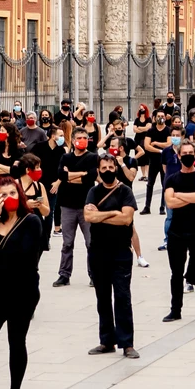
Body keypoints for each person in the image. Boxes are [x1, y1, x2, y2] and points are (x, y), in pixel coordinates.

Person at [0, 176, 44, 389]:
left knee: (16, 341)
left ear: (20, 195)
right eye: (3, 194)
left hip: (22, 292)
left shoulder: (30, 221)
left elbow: (24, 256)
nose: (9, 198)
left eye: (13, 193)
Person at [84, 152, 139, 357]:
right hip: (98, 252)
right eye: (104, 168)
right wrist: (111, 213)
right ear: (98, 170)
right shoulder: (93, 191)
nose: (108, 171)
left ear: (116, 167)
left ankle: (127, 343)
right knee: (102, 297)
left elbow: (126, 219)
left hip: (121, 252)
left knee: (123, 296)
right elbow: (88, 215)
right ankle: (107, 340)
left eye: (111, 167)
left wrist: (100, 216)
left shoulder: (125, 191)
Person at [163, 139, 195, 322]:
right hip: (176, 232)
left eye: (190, 154)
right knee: (176, 273)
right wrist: (190, 198)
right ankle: (175, 310)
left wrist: (178, 195)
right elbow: (169, 202)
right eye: (183, 154)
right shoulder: (171, 179)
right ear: (178, 156)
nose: (187, 157)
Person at [55, 129, 98, 287]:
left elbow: (90, 177)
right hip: (67, 205)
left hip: (87, 205)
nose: (82, 140)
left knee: (90, 242)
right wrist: (80, 174)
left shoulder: (93, 157)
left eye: (85, 138)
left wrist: (71, 176)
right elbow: (61, 176)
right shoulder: (66, 157)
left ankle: (94, 274)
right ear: (73, 141)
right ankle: (64, 274)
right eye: (79, 138)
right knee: (67, 243)